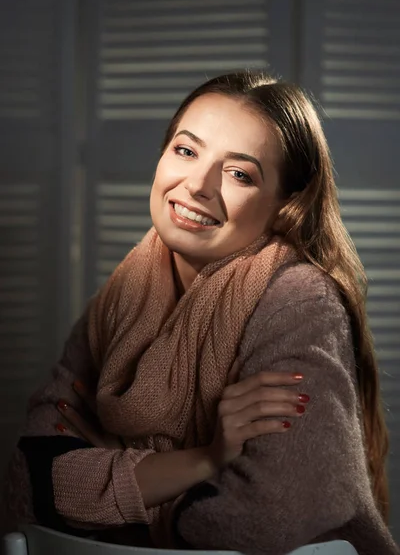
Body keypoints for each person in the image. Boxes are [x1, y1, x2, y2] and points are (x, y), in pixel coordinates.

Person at [4, 71, 399, 555]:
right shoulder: (125, 292)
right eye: (186, 151)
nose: (197, 186)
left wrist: (123, 480)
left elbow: (265, 522)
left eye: (239, 174)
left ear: (285, 207)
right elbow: (28, 478)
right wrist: (201, 462)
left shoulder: (299, 302)